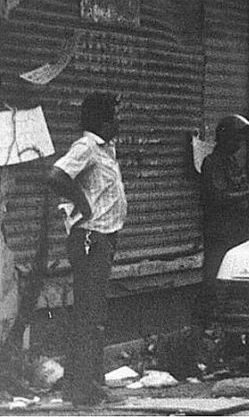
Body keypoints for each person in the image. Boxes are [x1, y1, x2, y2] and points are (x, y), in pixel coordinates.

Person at [47, 92, 126, 407]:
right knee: (89, 314)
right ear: (101, 120)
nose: (118, 123)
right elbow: (56, 175)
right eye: (114, 117)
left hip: (104, 237)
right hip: (90, 238)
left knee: (93, 313)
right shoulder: (86, 147)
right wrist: (82, 203)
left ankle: (84, 384)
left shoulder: (106, 148)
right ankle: (84, 388)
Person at [199, 114, 249, 320]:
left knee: (237, 287)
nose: (238, 144)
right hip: (220, 233)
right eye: (235, 139)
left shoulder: (232, 163)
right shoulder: (213, 164)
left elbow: (242, 192)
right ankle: (208, 329)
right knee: (215, 284)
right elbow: (219, 197)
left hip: (238, 231)